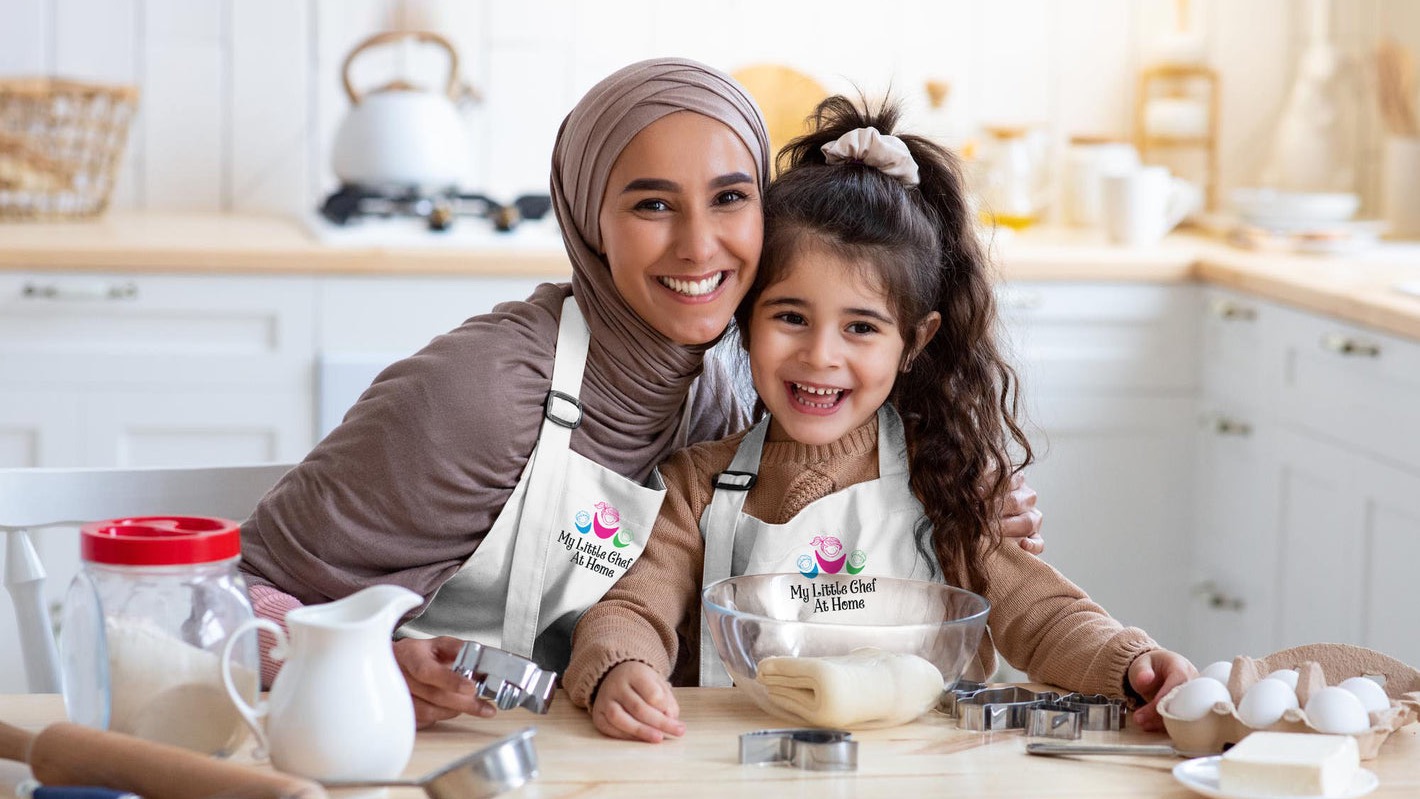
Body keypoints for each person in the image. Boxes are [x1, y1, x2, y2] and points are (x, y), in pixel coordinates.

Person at [238, 60, 1044, 730]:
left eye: (730, 198)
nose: (699, 244)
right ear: (589, 217)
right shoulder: (482, 394)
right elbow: (227, 598)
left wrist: (957, 508)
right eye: (653, 203)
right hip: (405, 756)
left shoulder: (733, 388)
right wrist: (370, 660)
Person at [565, 96, 1196, 744]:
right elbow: (633, 606)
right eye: (790, 316)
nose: (820, 354)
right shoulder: (696, 484)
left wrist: (1131, 664)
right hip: (738, 774)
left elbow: (1043, 616)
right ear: (746, 318)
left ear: (915, 341)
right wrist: (622, 665)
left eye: (861, 327)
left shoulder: (942, 478)